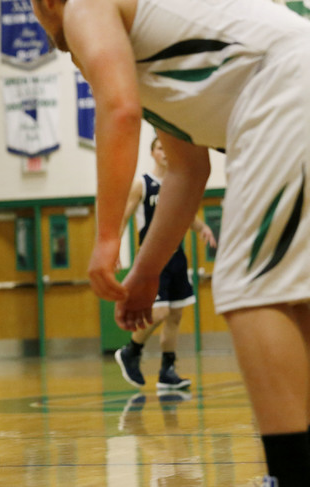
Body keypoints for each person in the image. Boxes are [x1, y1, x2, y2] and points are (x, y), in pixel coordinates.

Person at [31, 0, 310, 485]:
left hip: (283, 85)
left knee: (250, 285)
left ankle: (290, 473)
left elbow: (119, 112)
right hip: (291, 81)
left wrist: (105, 240)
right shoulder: (156, 60)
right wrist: (143, 271)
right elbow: (187, 170)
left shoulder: (81, 4)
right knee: (291, 289)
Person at [115, 137, 217, 390]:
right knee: (158, 312)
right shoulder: (142, 185)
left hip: (176, 258)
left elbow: (187, 216)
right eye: (160, 148)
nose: (165, 152)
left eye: (167, 148)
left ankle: (167, 370)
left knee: (174, 314)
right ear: (152, 153)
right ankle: (130, 351)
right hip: (152, 258)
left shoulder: (177, 184)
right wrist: (113, 248)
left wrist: (202, 227)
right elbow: (123, 217)